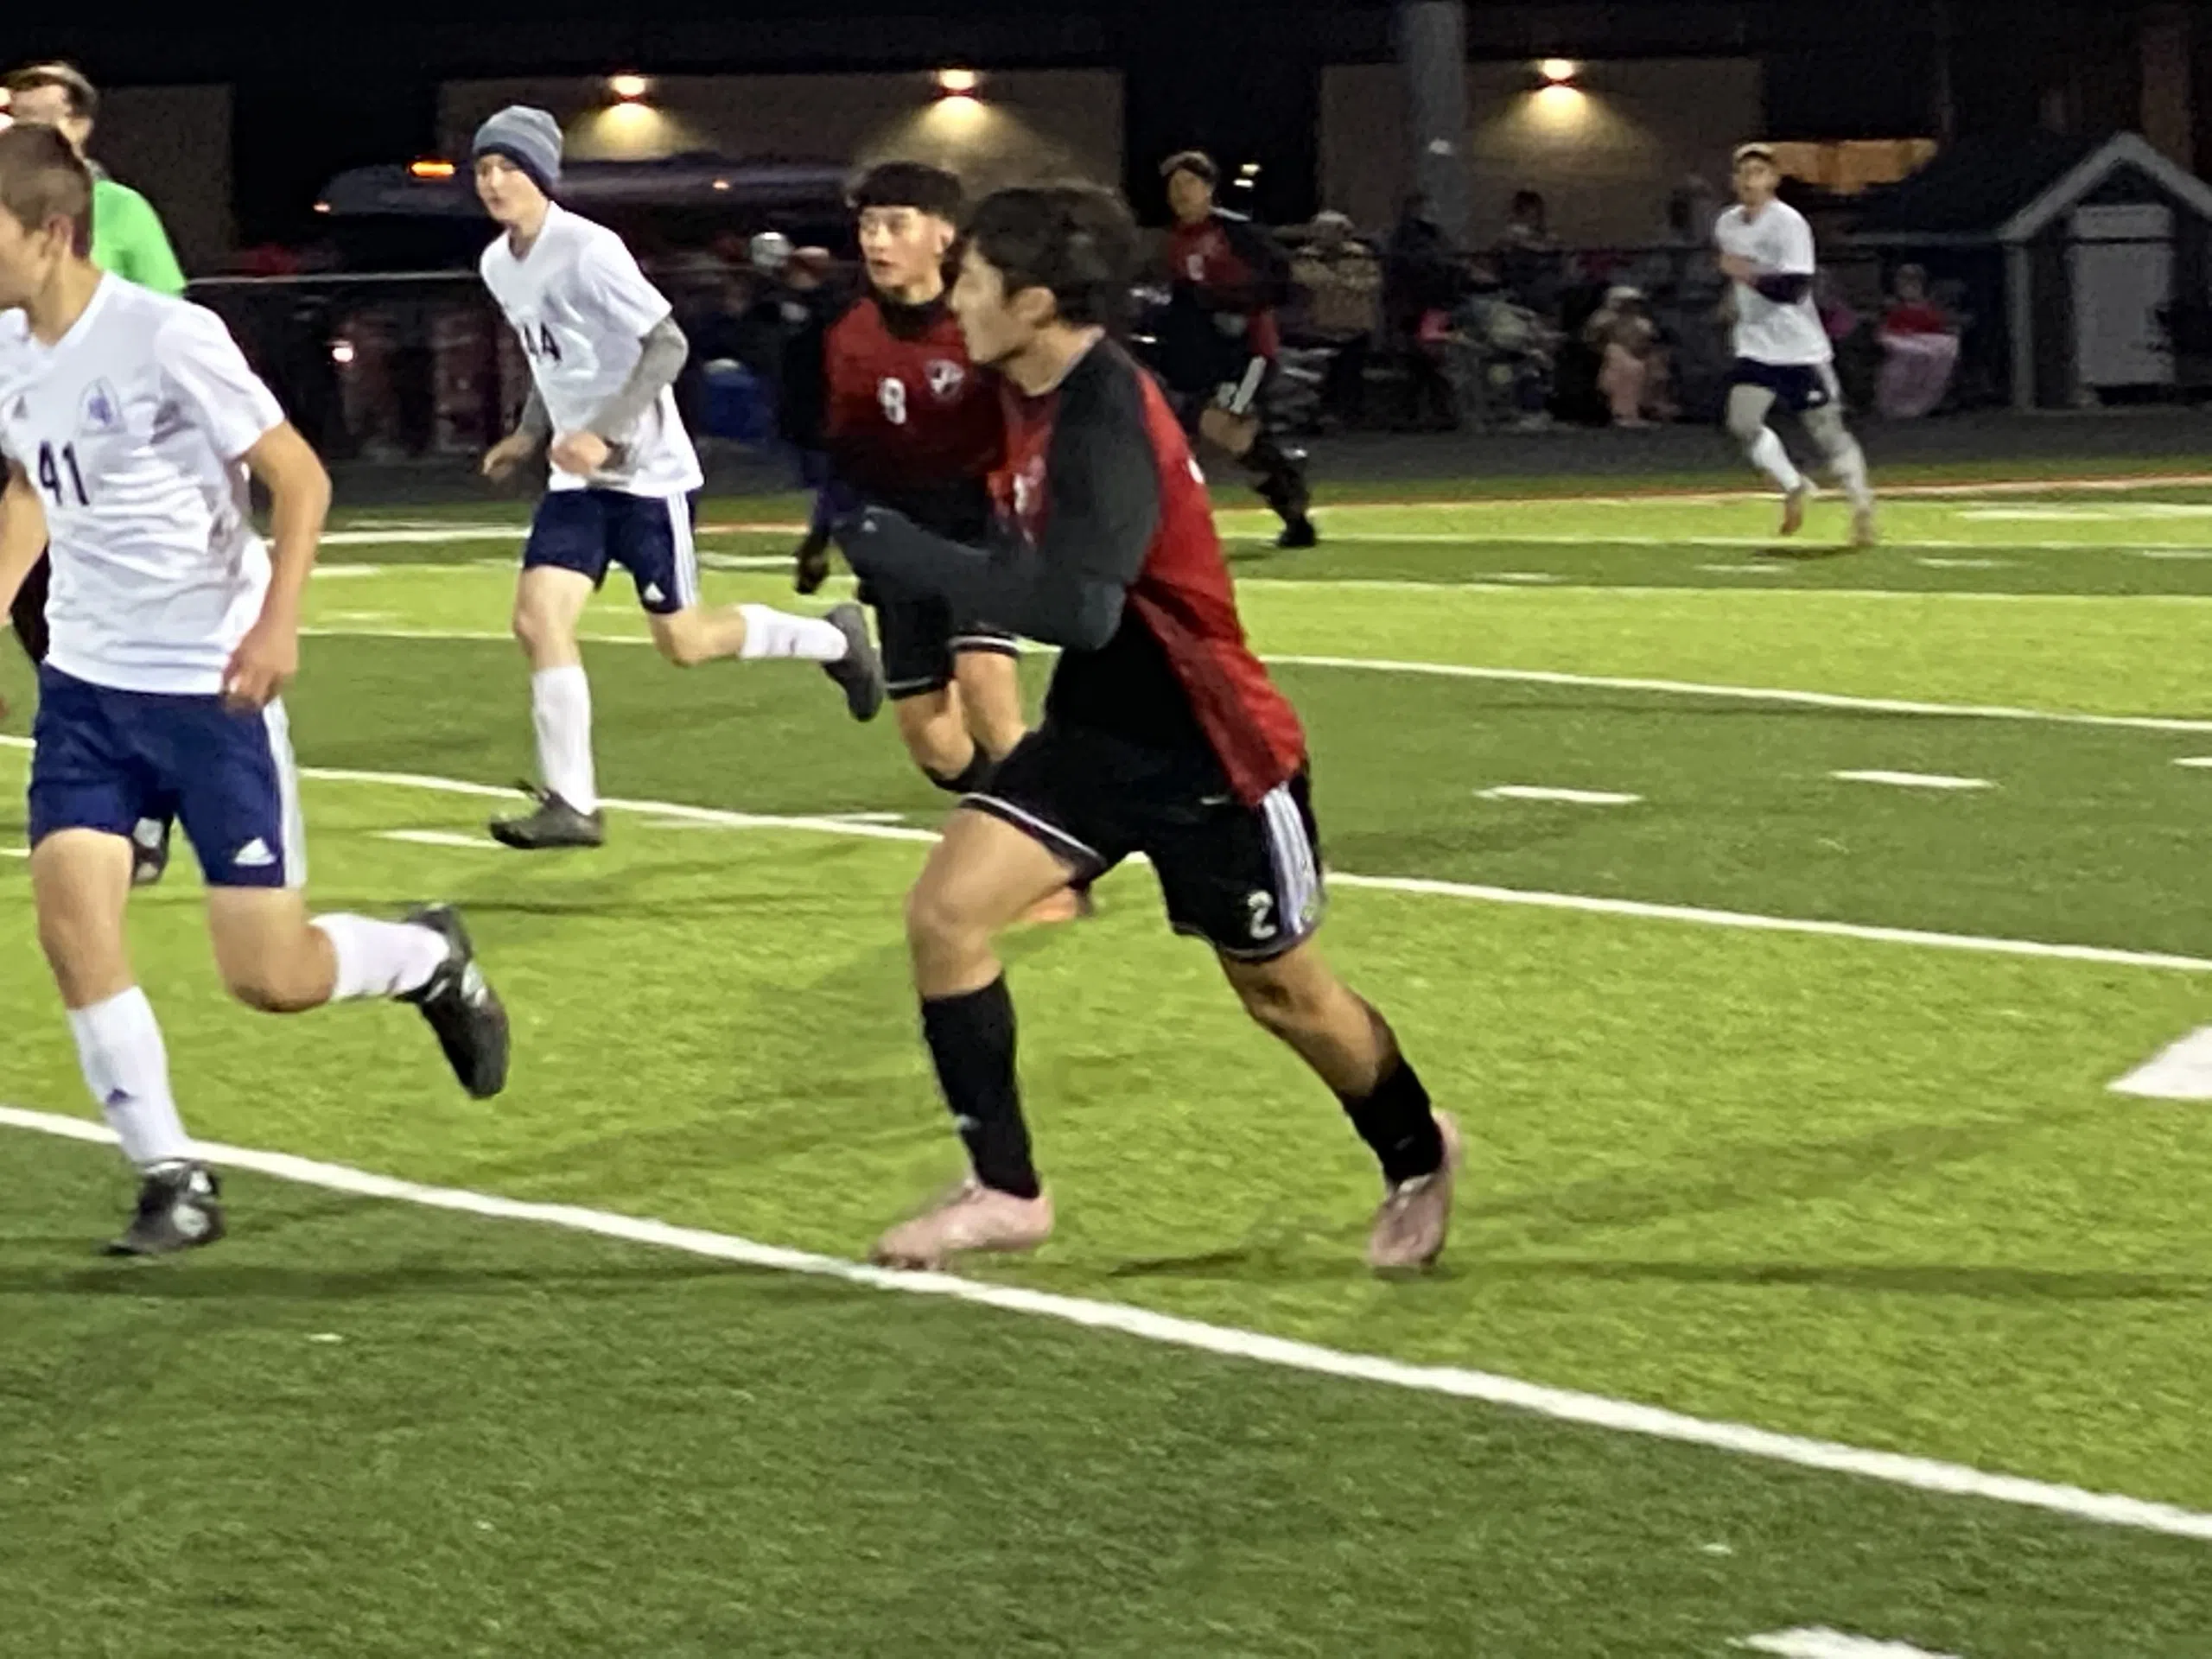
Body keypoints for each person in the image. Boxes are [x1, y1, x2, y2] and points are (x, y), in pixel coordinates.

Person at [830, 184, 1458, 1274]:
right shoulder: (1023, 383)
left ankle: (1414, 1152)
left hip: (1213, 751)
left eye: (974, 284)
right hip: (1095, 735)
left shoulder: (1107, 412)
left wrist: (910, 558)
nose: (956, 301)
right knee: (943, 916)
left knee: (1283, 994)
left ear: (1032, 302)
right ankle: (1005, 1191)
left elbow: (1081, 608)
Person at [0, 124, 510, 1255]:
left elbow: (298, 476)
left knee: (270, 978)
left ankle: (429, 960)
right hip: (88, 693)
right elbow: (36, 483)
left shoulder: (167, 337)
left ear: (49, 231)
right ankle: (170, 1175)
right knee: (74, 929)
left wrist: (278, 621)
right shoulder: (7, 350)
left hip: (209, 692)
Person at [470, 107, 884, 850]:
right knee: (537, 619)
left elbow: (666, 344)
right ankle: (572, 802)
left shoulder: (589, 249)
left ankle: (832, 639)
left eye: (509, 167)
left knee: (685, 643)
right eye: (484, 170)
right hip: (578, 479)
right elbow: (550, 359)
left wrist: (605, 430)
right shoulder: (498, 263)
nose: (495, 182)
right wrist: (532, 432)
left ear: (541, 175)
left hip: (647, 476)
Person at [3, 61, 189, 888]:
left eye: (41, 115)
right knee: (48, 624)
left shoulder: (122, 212)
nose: (23, 128)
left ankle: (145, 805)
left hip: (113, 457)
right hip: (28, 429)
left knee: (116, 631)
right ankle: (108, 786)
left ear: (81, 125)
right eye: (14, 115)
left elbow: (170, 319)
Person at [790, 162, 1027, 791]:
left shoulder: (983, 318)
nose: (876, 241)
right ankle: (1010, 815)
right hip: (897, 538)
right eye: (868, 226)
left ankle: (1052, 842)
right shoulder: (848, 332)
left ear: (944, 236)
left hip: (979, 527)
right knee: (936, 748)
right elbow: (846, 444)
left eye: (896, 225)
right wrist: (821, 535)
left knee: (985, 683)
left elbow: (1039, 416)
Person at [1715, 143, 1877, 546]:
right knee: (1742, 423)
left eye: (1758, 172)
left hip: (1798, 348)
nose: (1750, 181)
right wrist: (1732, 301)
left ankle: (1861, 506)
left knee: (1827, 432)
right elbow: (1738, 280)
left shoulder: (1788, 224)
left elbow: (1794, 287)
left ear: (1773, 180)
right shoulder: (1728, 224)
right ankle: (1793, 485)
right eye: (1743, 173)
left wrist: (1747, 275)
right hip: (1756, 344)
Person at [1154, 152, 1318, 550]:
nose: (1181, 194)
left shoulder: (1236, 233)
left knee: (1227, 425)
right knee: (1222, 431)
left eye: (1189, 185)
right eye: (1174, 187)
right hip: (1209, 357)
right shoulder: (1176, 240)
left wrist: (1236, 306)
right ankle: (1288, 489)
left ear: (1209, 189)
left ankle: (1291, 498)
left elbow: (1283, 281)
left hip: (1250, 354)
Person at [1287, 210, 1382, 429]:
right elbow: (1307, 279)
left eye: (1333, 230)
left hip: (1355, 323)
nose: (1326, 235)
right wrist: (1344, 282)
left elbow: (1371, 282)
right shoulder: (1304, 255)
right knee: (1319, 375)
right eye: (1320, 230)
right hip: (1318, 325)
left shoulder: (1360, 254)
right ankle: (1316, 415)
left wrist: (1338, 283)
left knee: (1351, 373)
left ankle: (1350, 416)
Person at [1876, 264, 1961, 421]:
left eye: (1914, 280)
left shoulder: (1931, 304)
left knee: (1945, 349)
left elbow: (1941, 323)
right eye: (1904, 279)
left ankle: (1925, 404)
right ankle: (1895, 406)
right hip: (1899, 341)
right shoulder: (1891, 304)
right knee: (1910, 356)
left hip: (1927, 341)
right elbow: (1885, 328)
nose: (1909, 284)